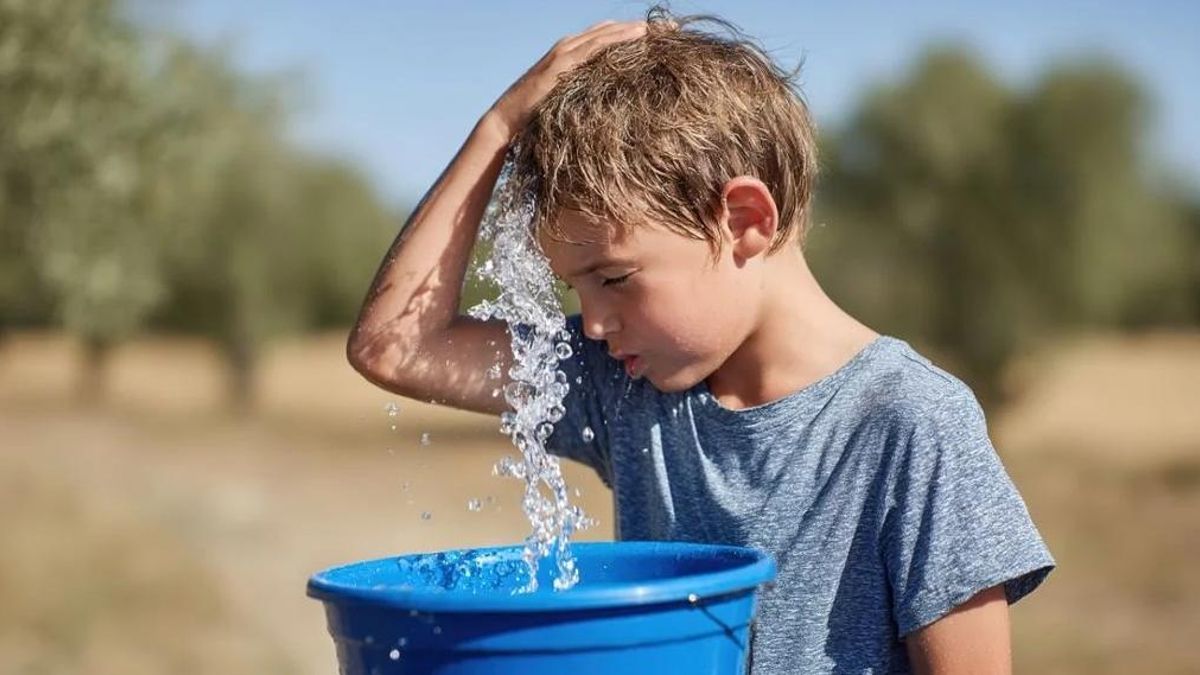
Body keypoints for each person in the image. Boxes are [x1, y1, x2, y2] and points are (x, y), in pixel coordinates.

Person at [347, 10, 1054, 674]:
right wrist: (498, 127)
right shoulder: (626, 386)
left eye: (615, 277)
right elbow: (394, 345)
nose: (592, 322)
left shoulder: (910, 423)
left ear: (745, 219)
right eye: (576, 289)